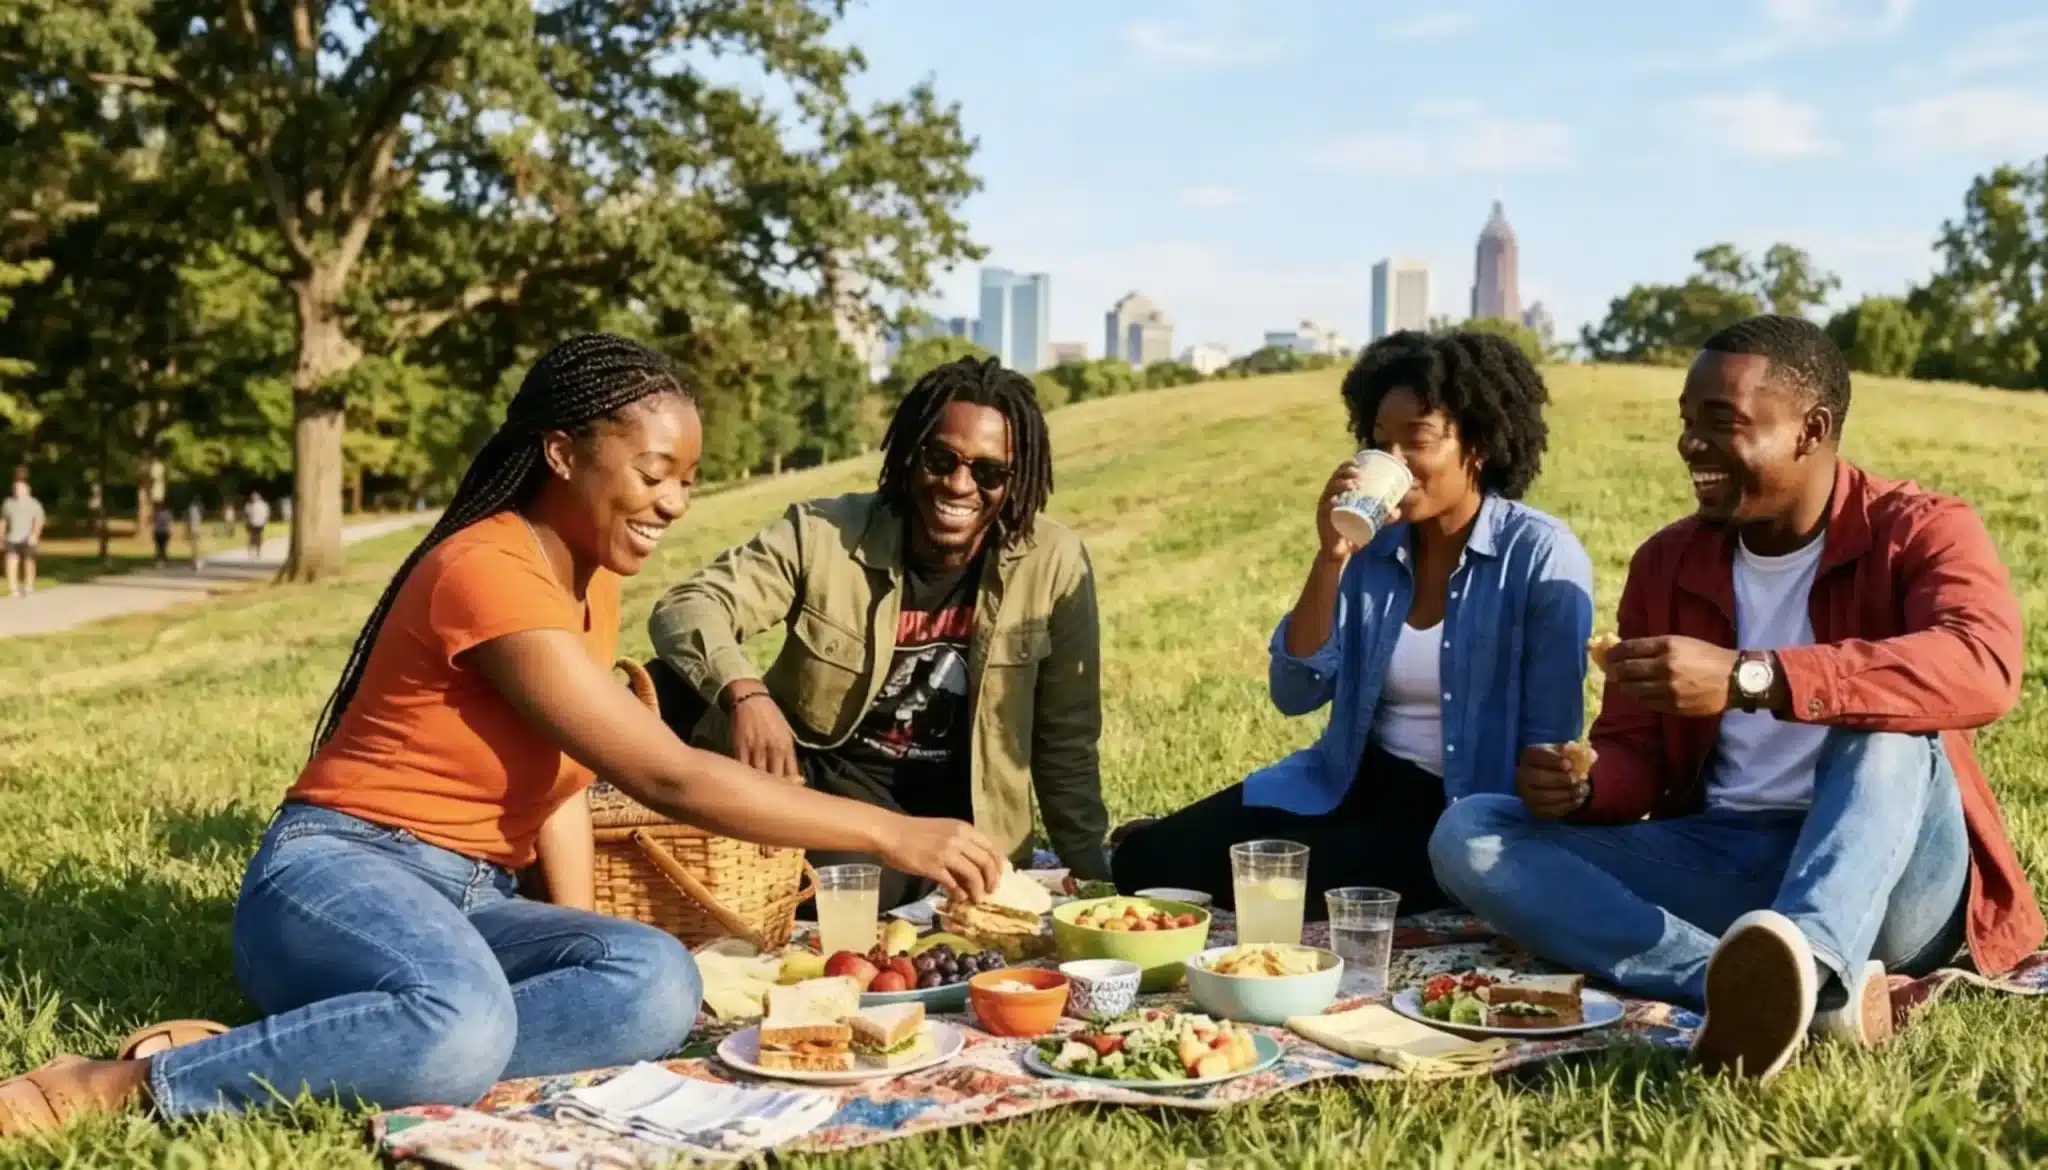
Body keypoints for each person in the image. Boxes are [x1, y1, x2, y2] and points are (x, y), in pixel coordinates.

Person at [0, 334, 1003, 1135]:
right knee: (462, 1024)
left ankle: (337, 1043)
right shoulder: (485, 569)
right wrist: (890, 835)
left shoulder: (590, 576)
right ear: (562, 451)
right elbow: (662, 772)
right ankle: (123, 1086)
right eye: (655, 472)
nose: (674, 501)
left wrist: (588, 946)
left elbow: (563, 786)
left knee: (654, 980)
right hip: (338, 875)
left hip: (473, 896)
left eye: (688, 479)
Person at [1429, 315, 2045, 1081]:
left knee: (1882, 724)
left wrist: (1753, 677)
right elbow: (1639, 753)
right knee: (1471, 834)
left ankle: (1814, 963)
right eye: (1687, 423)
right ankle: (1752, 987)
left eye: (1721, 423)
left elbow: (1983, 664)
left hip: (1894, 879)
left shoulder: (1919, 529)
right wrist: (1586, 783)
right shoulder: (1667, 563)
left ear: (1810, 430)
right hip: (1726, 860)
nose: (1691, 444)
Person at [1110, 331, 1595, 914]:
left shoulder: (1541, 555)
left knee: (1305, 888)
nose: (1394, 464)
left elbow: (1552, 740)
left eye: (1416, 441)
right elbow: (1294, 692)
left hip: (1463, 812)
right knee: (1144, 864)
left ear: (1479, 443)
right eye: (1379, 443)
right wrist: (1330, 558)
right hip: (1350, 783)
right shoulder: (1370, 550)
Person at [646, 355, 1108, 910]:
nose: (959, 486)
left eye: (988, 473)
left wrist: (1093, 884)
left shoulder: (1053, 564)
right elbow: (689, 606)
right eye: (942, 460)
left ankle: (746, 869)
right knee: (659, 690)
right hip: (813, 795)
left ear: (1016, 481)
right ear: (912, 454)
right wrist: (743, 691)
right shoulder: (823, 532)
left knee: (838, 882)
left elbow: (1067, 742)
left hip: (946, 825)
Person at [3, 468, 44, 598]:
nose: (17, 491)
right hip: (12, 537)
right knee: (11, 561)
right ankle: (13, 588)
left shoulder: (34, 504)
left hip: (28, 537)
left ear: (27, 489)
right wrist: (1, 536)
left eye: (20, 488)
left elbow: (39, 520)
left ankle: (29, 585)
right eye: (15, 489)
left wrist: (35, 535)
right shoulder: (8, 504)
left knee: (29, 562)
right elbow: (3, 520)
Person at [245, 491, 270, 559]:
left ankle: (252, 552)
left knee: (252, 538)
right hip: (260, 523)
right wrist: (265, 521)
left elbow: (247, 514)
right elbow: (266, 514)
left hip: (253, 523)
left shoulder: (250, 505)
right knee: (258, 537)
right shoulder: (264, 505)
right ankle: (257, 552)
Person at [152, 500, 174, 567]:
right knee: (159, 547)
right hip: (159, 532)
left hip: (163, 532)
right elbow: (154, 522)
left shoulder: (165, 513)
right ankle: (159, 561)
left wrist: (170, 531)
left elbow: (169, 523)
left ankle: (163, 560)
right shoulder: (157, 513)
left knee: (163, 547)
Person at [185, 497, 205, 569]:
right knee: (196, 546)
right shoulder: (197, 510)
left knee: (194, 546)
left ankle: (195, 561)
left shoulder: (191, 510)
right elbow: (194, 521)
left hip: (193, 530)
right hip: (195, 530)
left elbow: (188, 521)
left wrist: (187, 530)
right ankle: (195, 561)